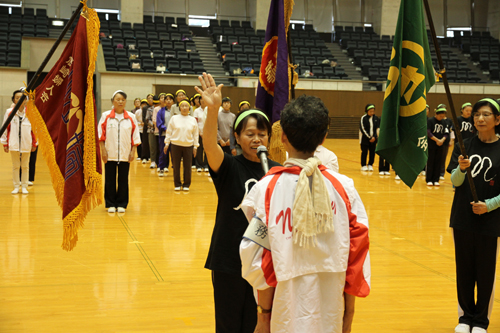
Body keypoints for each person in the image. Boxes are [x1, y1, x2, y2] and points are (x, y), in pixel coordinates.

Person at [240, 95, 370, 333]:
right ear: (323, 138)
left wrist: (263, 316)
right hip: (331, 312)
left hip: (283, 312)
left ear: (283, 137)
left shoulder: (264, 190)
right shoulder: (345, 189)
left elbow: (256, 258)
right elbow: (357, 257)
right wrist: (347, 315)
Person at [194, 73, 280, 333]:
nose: (257, 139)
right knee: (230, 324)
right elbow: (209, 145)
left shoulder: (277, 171)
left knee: (260, 324)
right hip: (229, 259)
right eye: (250, 134)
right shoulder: (229, 166)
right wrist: (212, 111)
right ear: (237, 137)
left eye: (262, 134)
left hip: (266, 260)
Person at [448, 98, 500, 333]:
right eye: (477, 114)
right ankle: (465, 317)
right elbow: (454, 182)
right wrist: (461, 168)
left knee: (485, 270)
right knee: (465, 269)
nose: (480, 118)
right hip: (462, 218)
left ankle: (480, 321)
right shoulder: (464, 144)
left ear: (497, 120)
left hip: (490, 221)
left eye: (486, 114)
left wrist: (489, 205)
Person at [98, 90, 141, 213]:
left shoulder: (131, 117)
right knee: (110, 179)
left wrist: (133, 151)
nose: (120, 102)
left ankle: (122, 203)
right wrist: (103, 150)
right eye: (118, 99)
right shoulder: (106, 116)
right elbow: (100, 135)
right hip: (110, 152)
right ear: (113, 101)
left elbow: (135, 136)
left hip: (125, 153)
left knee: (123, 179)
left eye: (123, 99)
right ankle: (110, 203)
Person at [1, 89, 37, 194]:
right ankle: (16, 186)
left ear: (26, 100)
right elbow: (5, 127)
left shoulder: (31, 112)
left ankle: (24, 186)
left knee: (25, 166)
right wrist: (5, 143)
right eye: (17, 97)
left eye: (22, 97)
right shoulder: (9, 112)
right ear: (14, 100)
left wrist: (35, 143)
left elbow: (34, 129)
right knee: (15, 166)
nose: (20, 99)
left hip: (26, 142)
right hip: (14, 142)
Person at [163, 99, 199, 191]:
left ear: (189, 108)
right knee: (176, 165)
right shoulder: (174, 118)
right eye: (182, 106)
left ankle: (186, 184)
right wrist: (167, 143)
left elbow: (195, 134)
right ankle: (177, 184)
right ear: (179, 108)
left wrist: (195, 146)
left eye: (186, 106)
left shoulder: (192, 120)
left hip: (188, 145)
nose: (184, 108)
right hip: (175, 145)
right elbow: (169, 131)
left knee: (188, 166)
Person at [426, 105, 450, 186]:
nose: (441, 117)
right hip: (432, 144)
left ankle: (436, 179)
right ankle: (429, 179)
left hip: (440, 145)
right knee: (431, 162)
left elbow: (446, 133)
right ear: (436, 114)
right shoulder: (430, 120)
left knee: (438, 162)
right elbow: (428, 132)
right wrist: (436, 140)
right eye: (440, 116)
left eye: (443, 116)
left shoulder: (444, 122)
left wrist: (442, 140)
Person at [157, 93, 174, 177]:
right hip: (164, 134)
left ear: (173, 101)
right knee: (163, 152)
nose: (168, 101)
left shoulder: (176, 111)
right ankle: (161, 168)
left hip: (175, 135)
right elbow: (159, 122)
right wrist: (165, 128)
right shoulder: (161, 111)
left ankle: (175, 170)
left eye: (170, 99)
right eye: (166, 99)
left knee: (174, 153)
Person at [359, 104, 379, 171]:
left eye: (373, 111)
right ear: (367, 111)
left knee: (372, 152)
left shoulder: (376, 118)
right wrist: (369, 137)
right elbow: (363, 129)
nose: (372, 113)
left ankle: (370, 164)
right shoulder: (363, 118)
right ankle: (363, 165)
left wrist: (375, 137)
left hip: (374, 139)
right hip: (365, 139)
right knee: (364, 152)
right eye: (370, 111)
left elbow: (377, 128)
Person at [193, 95, 208, 172]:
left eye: (204, 99)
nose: (202, 100)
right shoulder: (196, 111)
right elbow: (195, 122)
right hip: (198, 133)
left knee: (207, 149)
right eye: (201, 99)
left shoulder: (209, 109)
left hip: (208, 133)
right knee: (199, 149)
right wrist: (200, 132)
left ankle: (206, 165)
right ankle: (198, 165)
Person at [145, 94, 158, 169]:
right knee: (152, 146)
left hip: (160, 131)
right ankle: (153, 161)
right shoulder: (150, 109)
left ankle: (159, 162)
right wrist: (153, 125)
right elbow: (147, 119)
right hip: (151, 130)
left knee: (159, 147)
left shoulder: (161, 109)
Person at [137, 98, 150, 164]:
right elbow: (136, 120)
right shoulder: (138, 111)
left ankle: (149, 156)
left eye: (145, 104)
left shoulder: (151, 109)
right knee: (141, 143)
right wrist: (141, 123)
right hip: (140, 128)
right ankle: (141, 156)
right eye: (142, 104)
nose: (143, 105)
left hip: (149, 128)